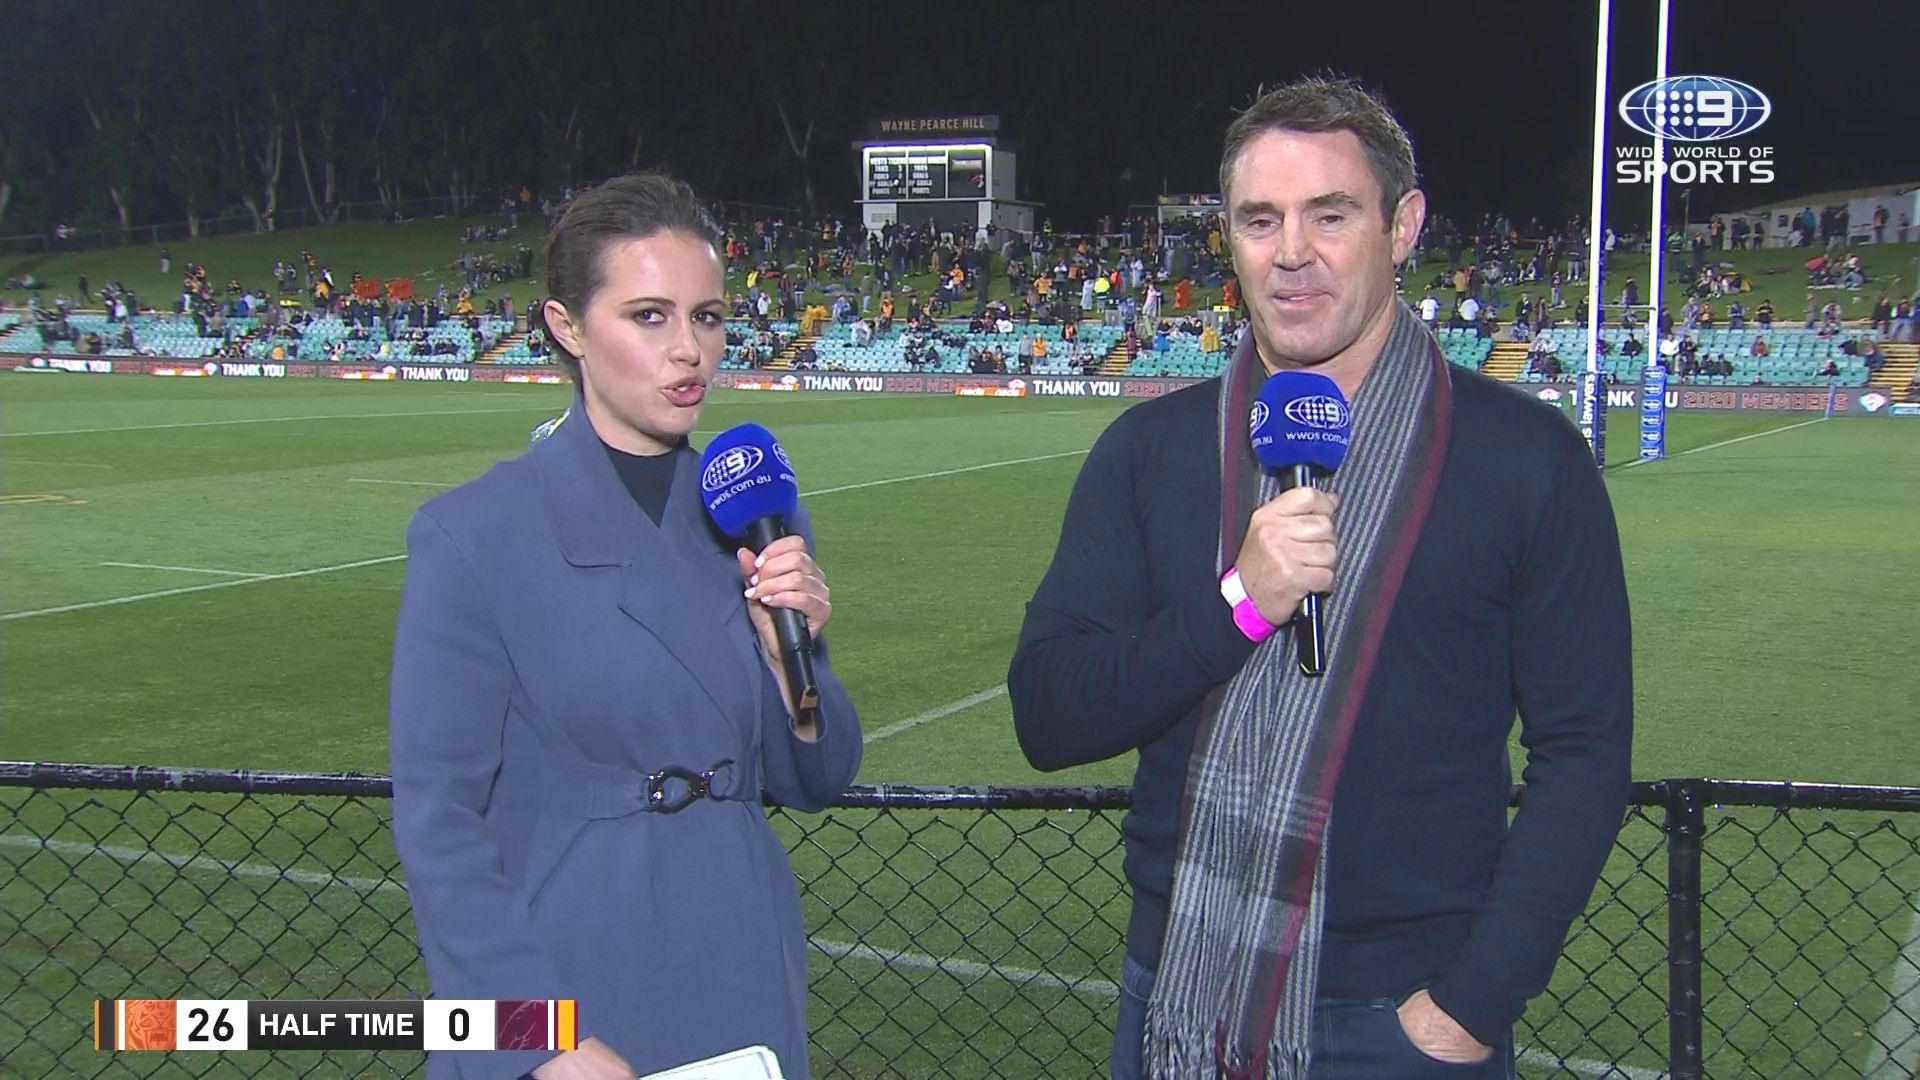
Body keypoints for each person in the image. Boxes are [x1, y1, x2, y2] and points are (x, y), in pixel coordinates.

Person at [1009, 77, 1631, 1079]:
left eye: (1330, 215)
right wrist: (1237, 606)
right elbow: (1049, 714)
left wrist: (1472, 1005)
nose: (1291, 251)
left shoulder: (1528, 460)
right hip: (1178, 994)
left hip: (1409, 1020)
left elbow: (1587, 751)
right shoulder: (1148, 451)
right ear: (1230, 238)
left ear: (1403, 225)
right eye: (1261, 220)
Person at [389, 173, 862, 1080]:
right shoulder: (473, 534)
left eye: (708, 317)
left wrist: (789, 665)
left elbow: (818, 777)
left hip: (740, 977)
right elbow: (440, 824)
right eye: (650, 316)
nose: (690, 350)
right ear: (567, 327)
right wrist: (537, 1039)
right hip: (569, 990)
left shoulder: (756, 519)